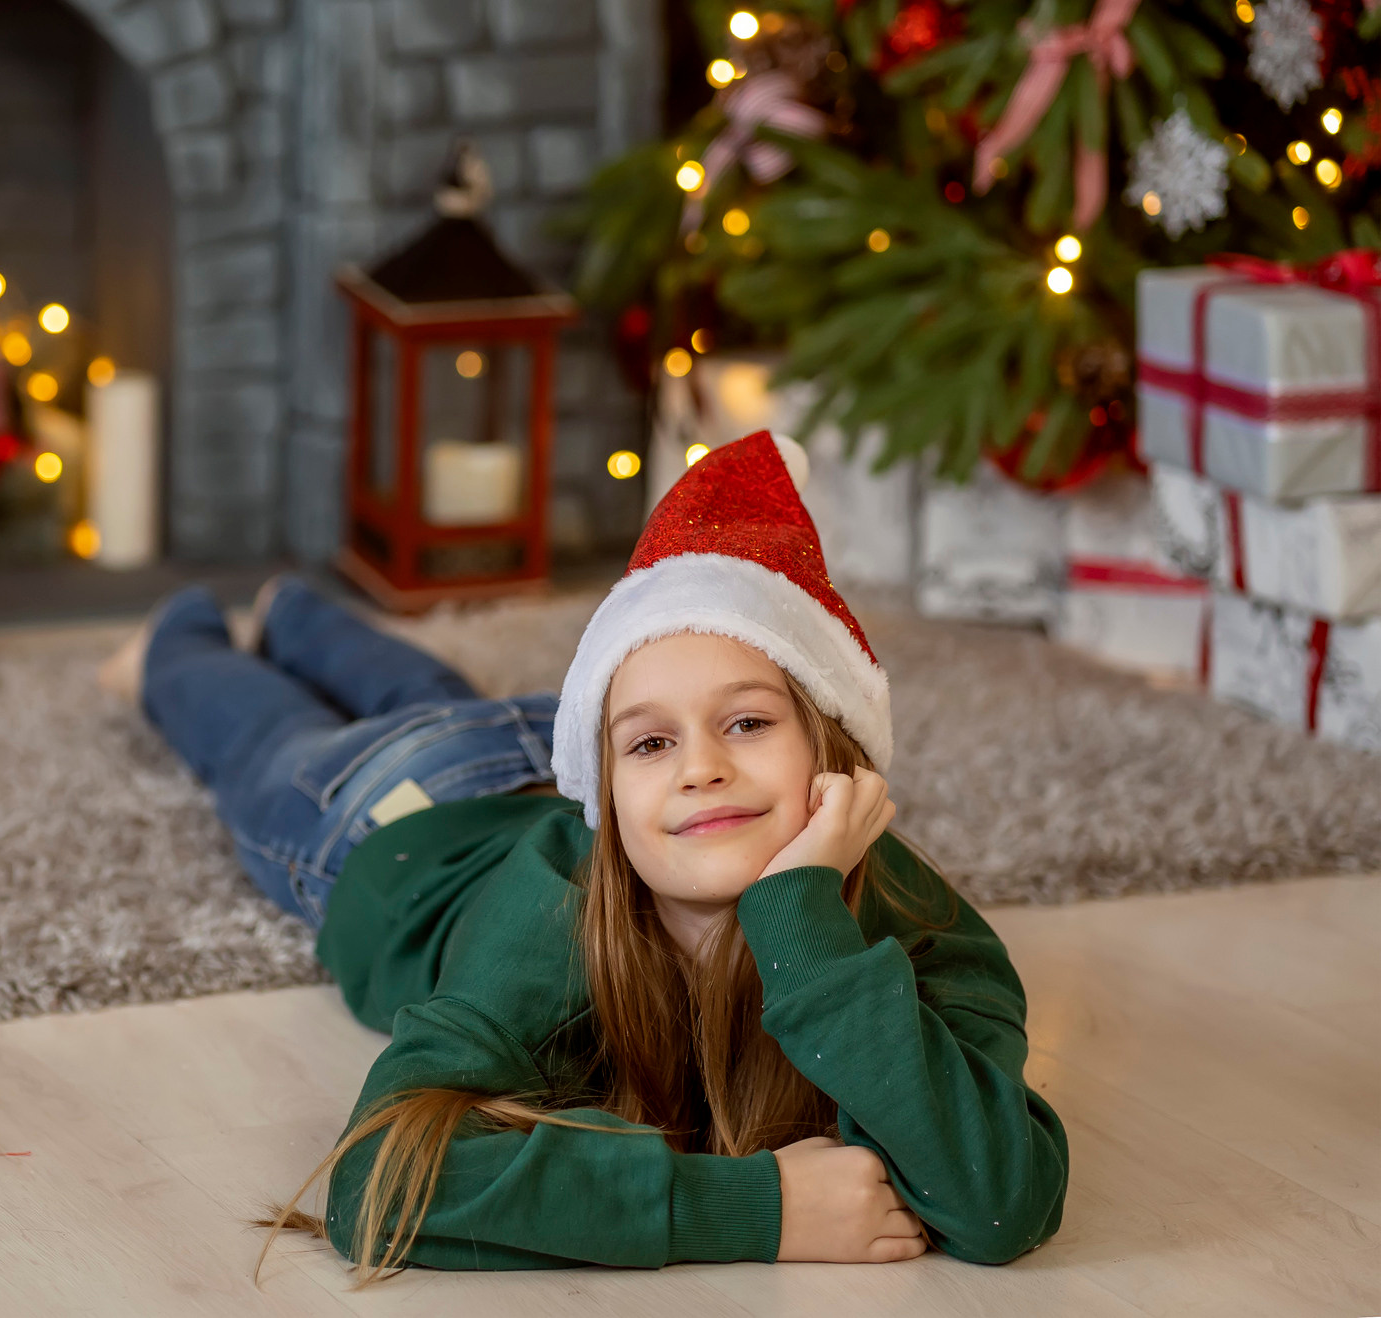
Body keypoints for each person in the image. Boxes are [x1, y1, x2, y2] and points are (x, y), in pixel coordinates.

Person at [99, 431, 1069, 1286]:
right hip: (399, 809)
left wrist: (803, 918)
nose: (703, 767)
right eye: (659, 744)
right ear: (603, 782)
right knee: (262, 747)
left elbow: (996, 1201)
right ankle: (178, 642)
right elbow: (374, 1179)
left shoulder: (925, 927)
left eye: (746, 720)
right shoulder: (557, 904)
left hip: (561, 745)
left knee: (434, 690)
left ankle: (297, 614)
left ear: (834, 748)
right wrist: (753, 1209)